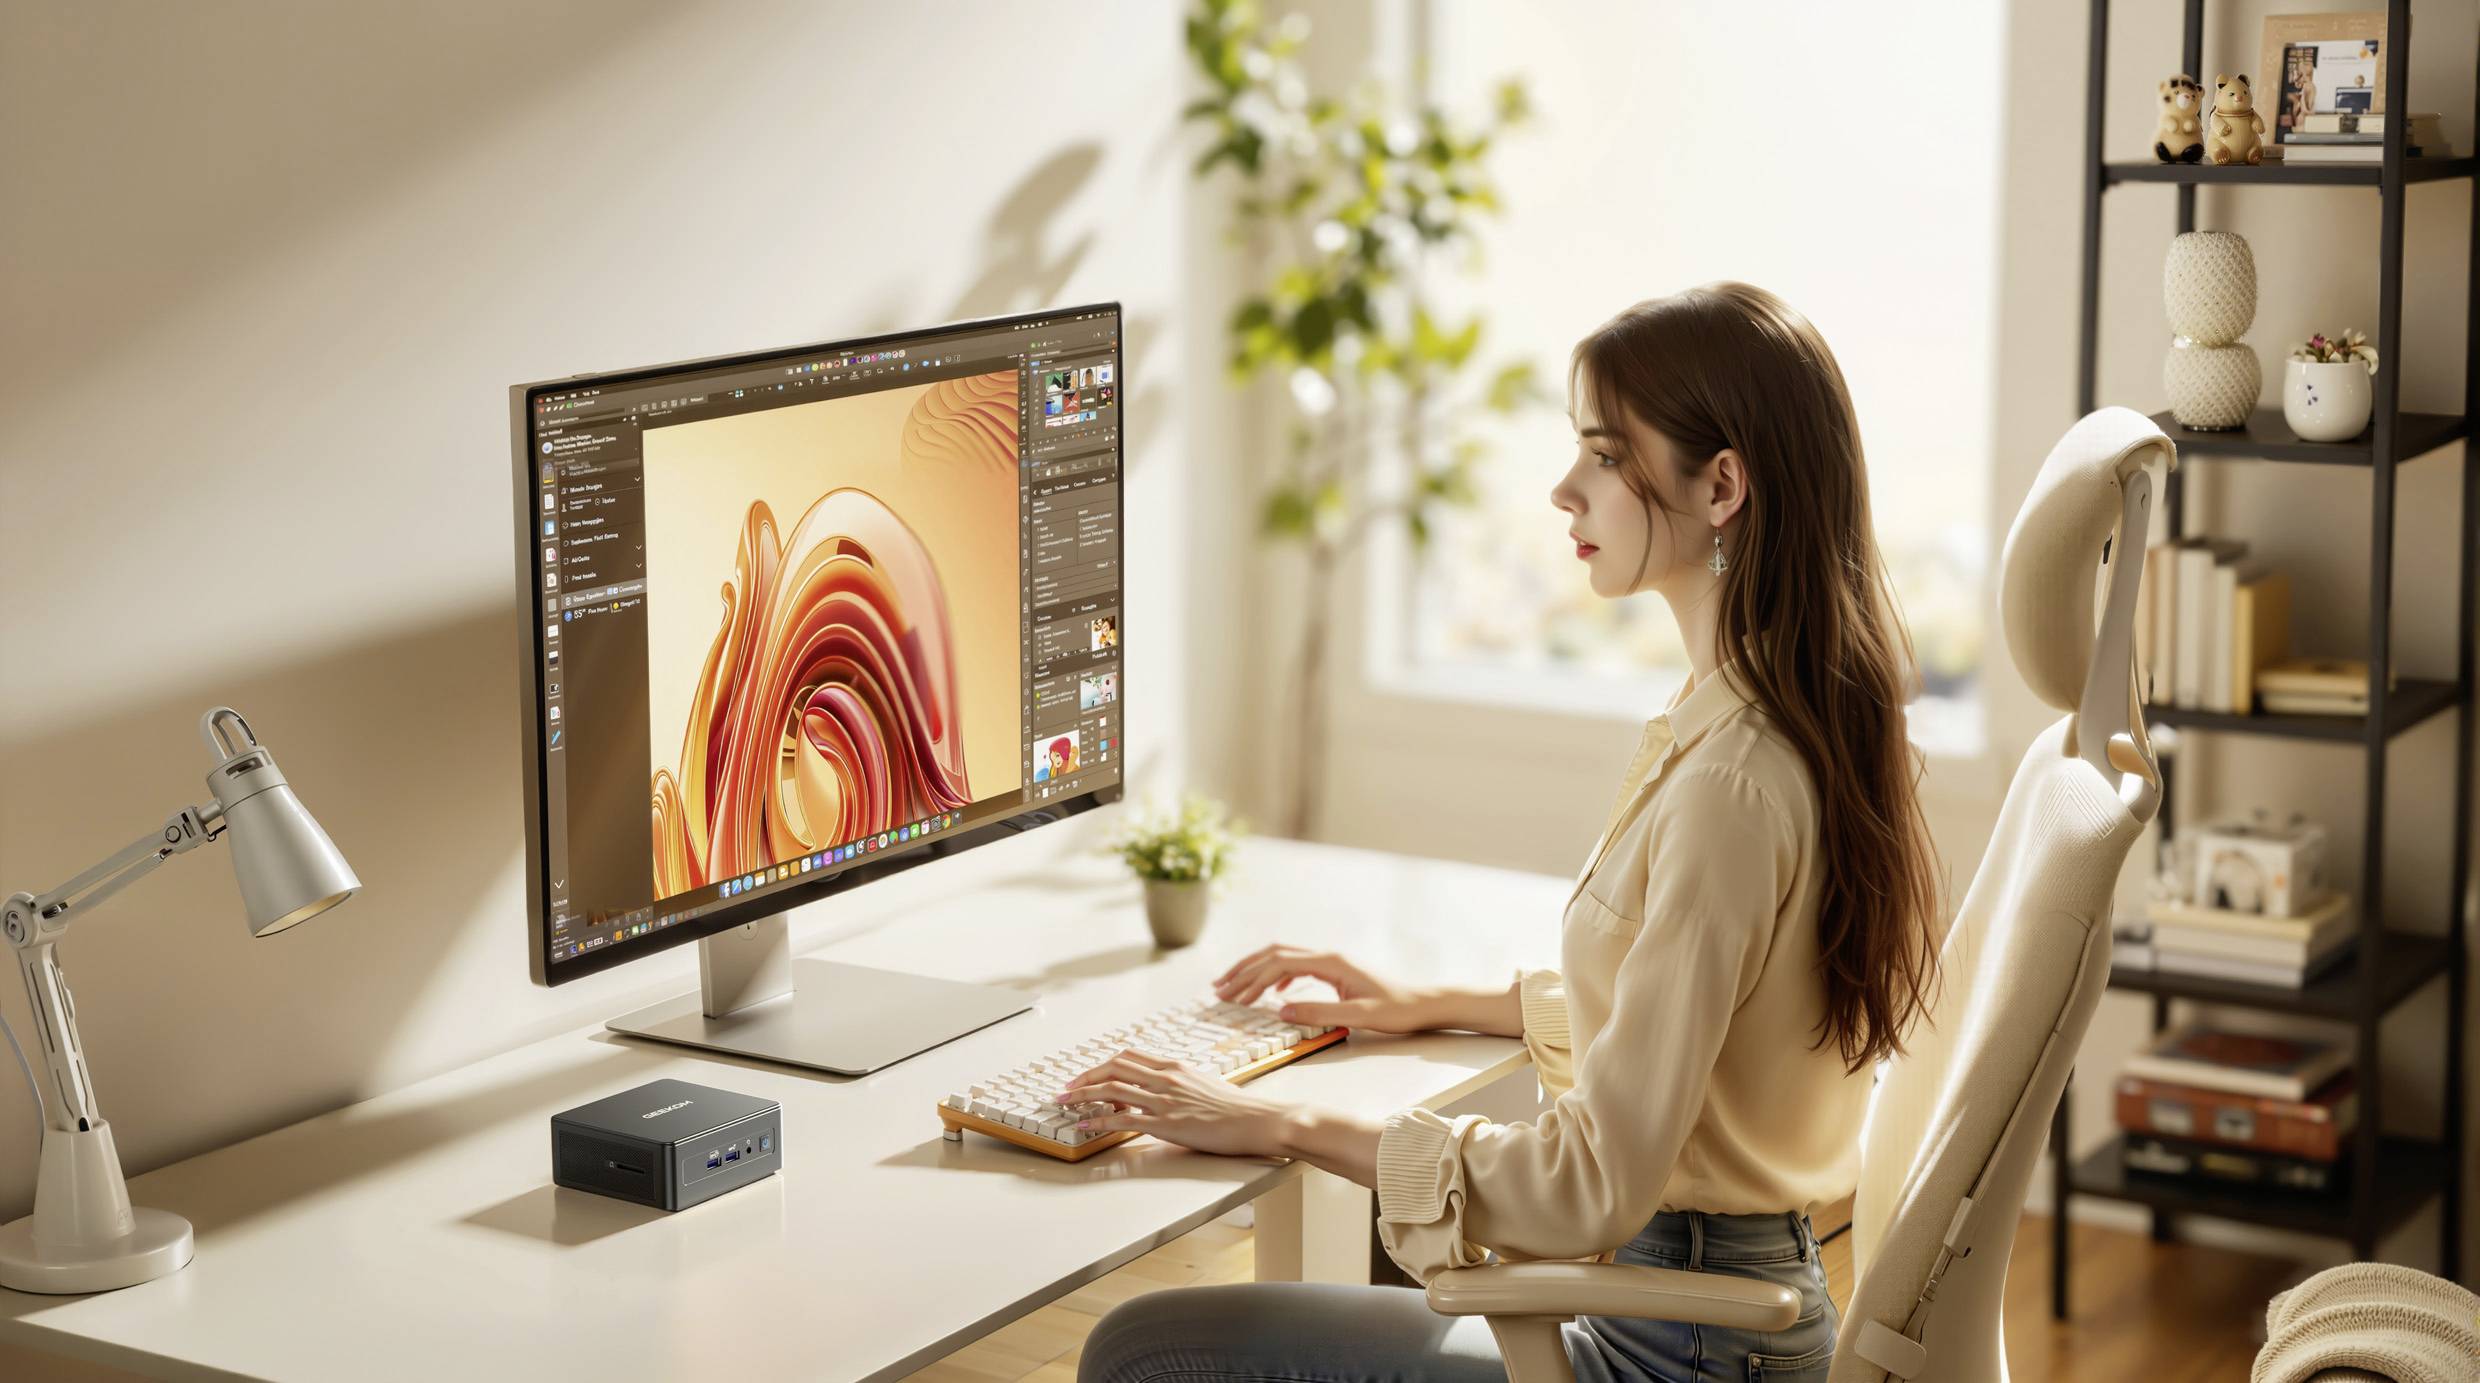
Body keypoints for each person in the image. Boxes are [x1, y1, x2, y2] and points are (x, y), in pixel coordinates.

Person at [1070, 282, 1946, 1383]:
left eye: (1604, 455)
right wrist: (1435, 1002)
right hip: (1717, 1320)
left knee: (1144, 1350)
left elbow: (1592, 1184)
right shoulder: (1777, 720)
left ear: (1721, 485)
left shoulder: (1732, 783)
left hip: (1675, 1349)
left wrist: (1278, 1121)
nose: (1563, 488)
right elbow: (1707, 1025)